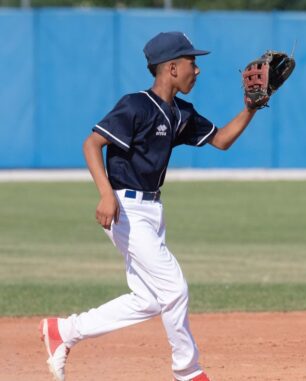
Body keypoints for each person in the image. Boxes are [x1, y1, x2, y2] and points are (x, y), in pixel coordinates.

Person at [39, 31, 258, 381]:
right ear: (171, 68)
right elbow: (92, 145)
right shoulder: (136, 105)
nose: (197, 70)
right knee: (174, 288)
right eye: (192, 62)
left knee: (149, 299)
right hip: (125, 209)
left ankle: (63, 331)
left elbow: (221, 140)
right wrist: (105, 193)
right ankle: (188, 371)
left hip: (152, 212)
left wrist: (250, 108)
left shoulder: (180, 113)